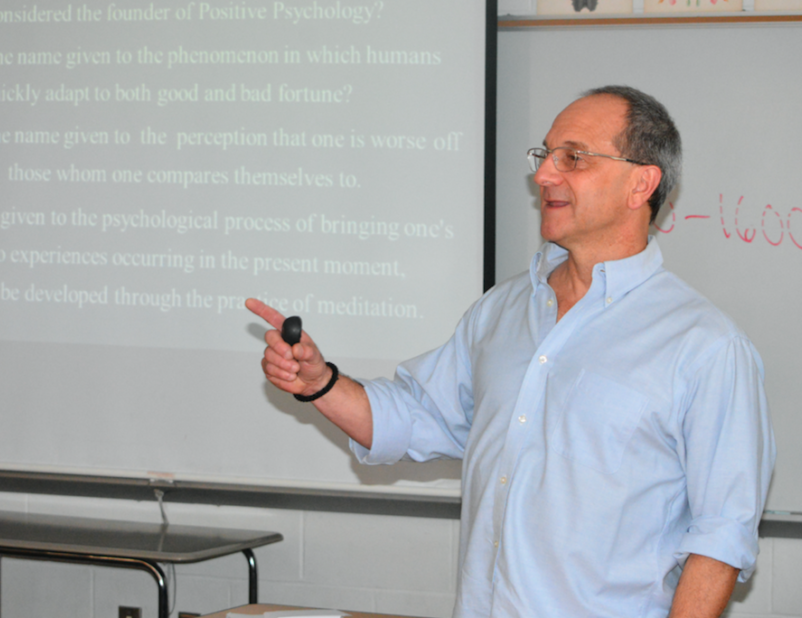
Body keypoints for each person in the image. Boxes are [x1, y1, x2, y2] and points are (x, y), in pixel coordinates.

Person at [246, 85, 775, 618]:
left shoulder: (705, 345)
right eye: (545, 155)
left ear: (642, 183)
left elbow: (721, 534)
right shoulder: (501, 310)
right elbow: (411, 417)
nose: (544, 175)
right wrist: (320, 384)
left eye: (574, 158)